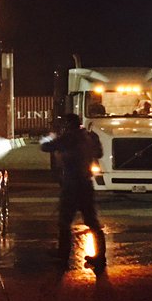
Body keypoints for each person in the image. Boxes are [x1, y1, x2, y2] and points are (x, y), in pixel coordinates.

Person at [40, 113, 107, 270]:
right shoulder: (90, 137)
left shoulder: (69, 137)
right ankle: (100, 257)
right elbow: (99, 153)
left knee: (64, 222)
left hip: (72, 185)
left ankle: (62, 257)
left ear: (69, 125)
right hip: (86, 183)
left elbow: (46, 146)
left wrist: (50, 136)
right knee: (92, 221)